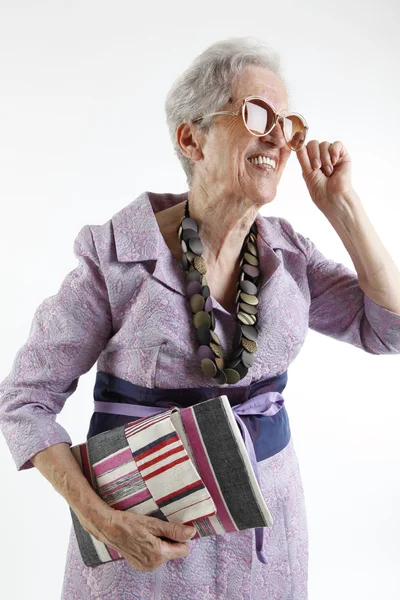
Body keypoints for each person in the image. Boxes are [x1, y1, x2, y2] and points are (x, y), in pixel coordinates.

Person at [1, 36, 400, 600]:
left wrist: (344, 207)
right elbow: (24, 401)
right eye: (258, 114)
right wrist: (100, 520)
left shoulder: (290, 255)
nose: (278, 139)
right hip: (144, 549)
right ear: (192, 137)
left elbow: (390, 330)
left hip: (268, 544)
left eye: (287, 125)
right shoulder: (115, 259)